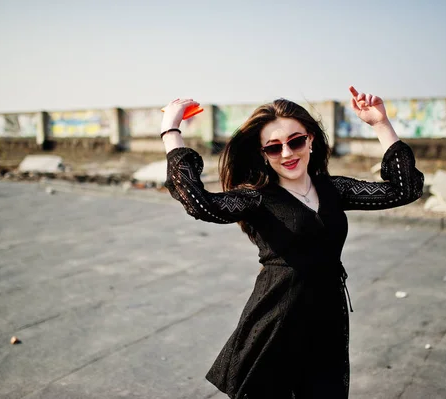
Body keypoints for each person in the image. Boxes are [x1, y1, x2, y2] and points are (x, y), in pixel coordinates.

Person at [160, 87, 424, 399]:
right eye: (273, 148)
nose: (287, 153)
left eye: (295, 141)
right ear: (263, 154)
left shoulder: (334, 189)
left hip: (327, 320)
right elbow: (200, 204)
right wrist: (171, 131)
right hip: (276, 323)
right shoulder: (257, 198)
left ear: (310, 139)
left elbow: (404, 189)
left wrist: (380, 124)